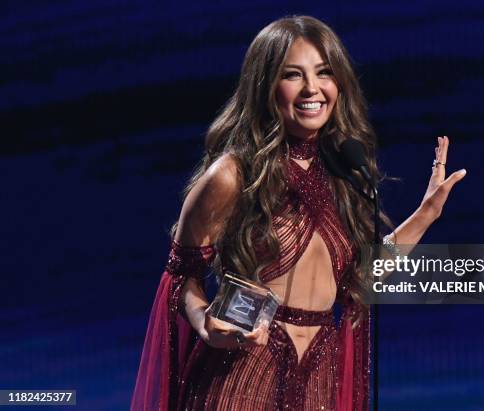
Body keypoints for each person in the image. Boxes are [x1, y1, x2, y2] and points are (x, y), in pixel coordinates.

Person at [131, 15, 466, 411]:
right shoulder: (233, 174)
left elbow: (359, 279)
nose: (312, 88)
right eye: (293, 75)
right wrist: (205, 321)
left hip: (319, 375)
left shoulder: (344, 171)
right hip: (242, 371)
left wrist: (426, 214)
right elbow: (180, 274)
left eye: (324, 73)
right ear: (266, 86)